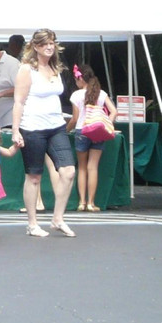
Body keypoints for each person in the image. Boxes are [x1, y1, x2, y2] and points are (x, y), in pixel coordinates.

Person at [11, 28, 76, 237]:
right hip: (32, 127)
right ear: (36, 47)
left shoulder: (55, 67)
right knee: (34, 176)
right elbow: (19, 101)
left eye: (52, 43)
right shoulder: (27, 70)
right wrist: (15, 130)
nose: (50, 47)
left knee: (68, 171)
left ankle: (58, 218)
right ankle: (32, 223)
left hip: (56, 125)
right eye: (46, 44)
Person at [68, 63, 117, 212]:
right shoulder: (101, 93)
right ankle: (91, 203)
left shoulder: (76, 95)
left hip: (81, 131)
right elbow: (114, 111)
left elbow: (75, 119)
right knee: (93, 167)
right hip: (97, 132)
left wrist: (66, 130)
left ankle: (81, 202)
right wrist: (105, 124)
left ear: (80, 79)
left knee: (81, 167)